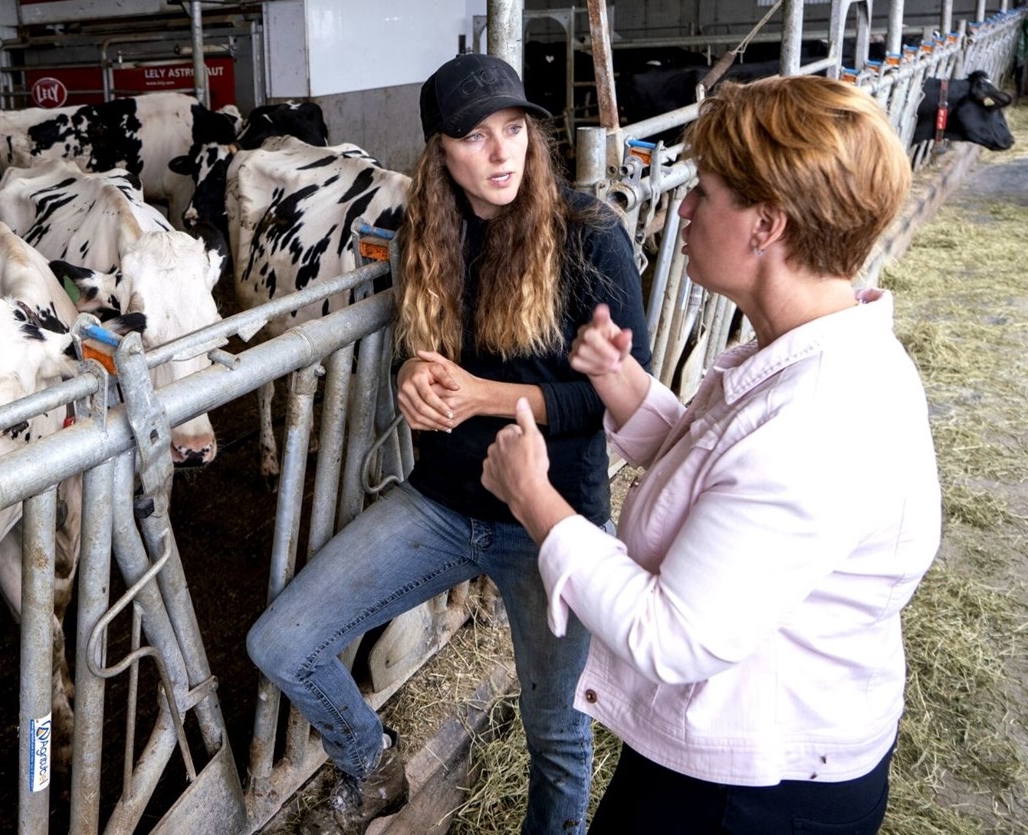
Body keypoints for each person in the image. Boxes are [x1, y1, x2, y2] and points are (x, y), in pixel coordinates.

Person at [481, 75, 940, 834]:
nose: (684, 210)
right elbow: (724, 479)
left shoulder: (818, 420)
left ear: (766, 225)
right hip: (734, 742)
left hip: (756, 792)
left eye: (705, 191)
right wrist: (624, 384)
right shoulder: (805, 353)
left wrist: (536, 499)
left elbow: (673, 635)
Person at [246, 52, 650, 835]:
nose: (501, 153)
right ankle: (372, 766)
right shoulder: (422, 235)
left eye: (513, 128)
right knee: (283, 642)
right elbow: (419, 352)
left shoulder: (589, 235)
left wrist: (482, 397)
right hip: (441, 504)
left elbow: (611, 399)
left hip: (552, 521)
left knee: (556, 731)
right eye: (474, 136)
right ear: (440, 152)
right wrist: (406, 377)